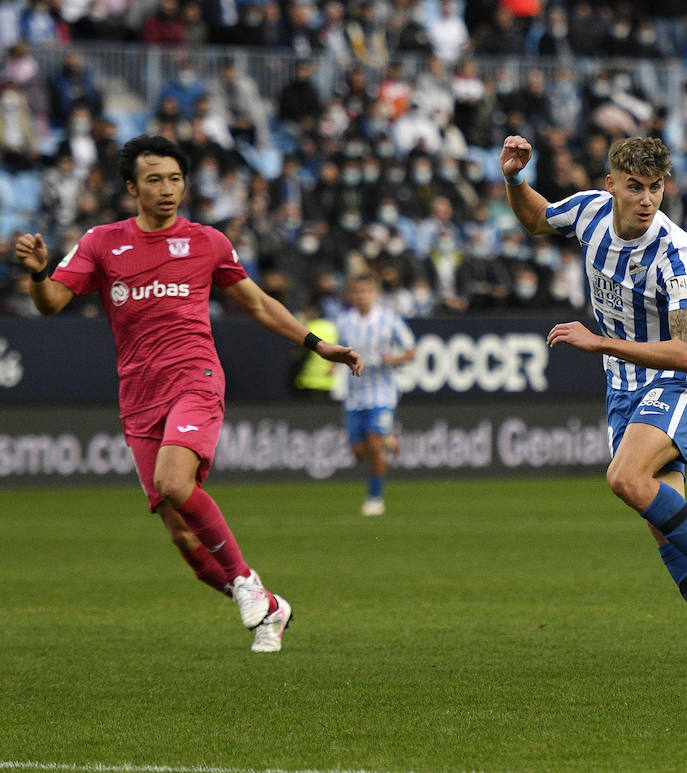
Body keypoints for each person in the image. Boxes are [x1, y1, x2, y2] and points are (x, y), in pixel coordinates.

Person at [13, 134, 363, 651]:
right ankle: (269, 606)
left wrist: (317, 344)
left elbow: (259, 303)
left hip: (194, 377)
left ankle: (247, 582)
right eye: (154, 179)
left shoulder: (207, 242)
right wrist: (39, 273)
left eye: (175, 178)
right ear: (132, 187)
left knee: (175, 483)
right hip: (138, 394)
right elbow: (51, 303)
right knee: (181, 535)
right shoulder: (102, 243)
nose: (167, 189)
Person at [501, 134, 687, 678]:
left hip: (679, 383)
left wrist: (598, 341)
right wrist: (513, 180)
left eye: (656, 188)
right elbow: (536, 219)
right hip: (624, 390)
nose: (647, 200)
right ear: (612, 187)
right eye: (635, 188)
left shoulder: (675, 251)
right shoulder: (588, 212)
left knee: (624, 478)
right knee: (663, 527)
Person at [334, 273, 416, 517]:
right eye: (358, 292)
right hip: (354, 394)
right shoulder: (344, 321)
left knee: (373, 444)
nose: (362, 296)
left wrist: (396, 358)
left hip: (382, 392)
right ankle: (389, 439)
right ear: (351, 295)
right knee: (358, 452)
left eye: (367, 291)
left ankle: (374, 499)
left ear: (375, 294)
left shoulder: (389, 320)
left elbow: (411, 349)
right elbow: (337, 348)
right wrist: (333, 363)